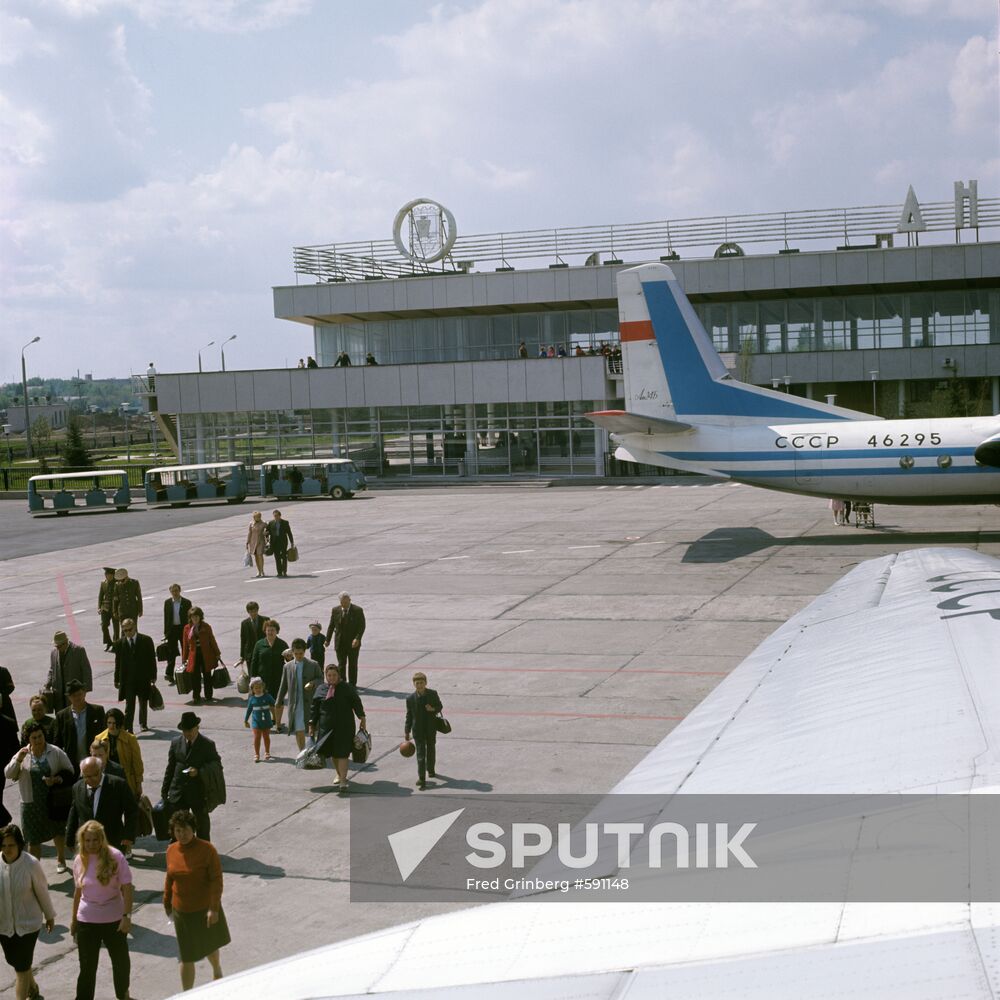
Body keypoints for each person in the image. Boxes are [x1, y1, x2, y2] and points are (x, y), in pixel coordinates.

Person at [164, 809, 229, 990]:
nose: (181, 834)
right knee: (186, 955)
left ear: (193, 829)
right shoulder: (171, 850)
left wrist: (214, 908)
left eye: (185, 829)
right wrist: (166, 902)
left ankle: (216, 969)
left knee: (209, 946)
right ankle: (188, 994)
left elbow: (216, 880)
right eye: (177, 830)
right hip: (182, 911)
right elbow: (170, 878)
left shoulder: (207, 850)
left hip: (204, 908)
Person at [71, 820, 133, 1000]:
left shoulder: (116, 857)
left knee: (121, 962)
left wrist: (127, 916)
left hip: (114, 919)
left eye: (95, 840)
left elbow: (127, 888)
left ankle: (123, 994)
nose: (91, 844)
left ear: (102, 839)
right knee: (87, 967)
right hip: (87, 920)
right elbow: (78, 891)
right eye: (87, 840)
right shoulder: (79, 860)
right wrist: (74, 920)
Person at [4, 723, 73, 873]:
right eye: (34, 737)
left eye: (40, 736)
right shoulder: (23, 754)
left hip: (53, 801)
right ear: (28, 739)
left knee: (58, 831)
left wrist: (56, 779)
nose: (38, 740)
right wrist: (18, 761)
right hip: (31, 805)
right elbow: (8, 774)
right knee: (33, 839)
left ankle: (61, 859)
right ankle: (34, 871)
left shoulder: (55, 752)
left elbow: (70, 771)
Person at [0, 823, 56, 1000]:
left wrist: (49, 916)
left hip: (28, 926)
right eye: (3, 845)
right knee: (17, 963)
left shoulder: (31, 864)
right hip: (4, 926)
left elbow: (42, 892)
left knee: (21, 968)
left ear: (20, 845)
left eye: (11, 845)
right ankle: (33, 989)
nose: (7, 849)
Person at [161, 713, 223, 843]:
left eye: (190, 730)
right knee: (177, 827)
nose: (187, 733)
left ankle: (204, 852)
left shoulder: (207, 744)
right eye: (184, 731)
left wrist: (199, 772)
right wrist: (165, 790)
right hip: (178, 792)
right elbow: (170, 768)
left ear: (197, 727)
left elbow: (216, 765)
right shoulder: (175, 742)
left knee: (202, 826)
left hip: (198, 793)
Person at [309, 665, 366, 793]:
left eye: (334, 675)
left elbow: (356, 702)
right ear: (326, 676)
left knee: (343, 753)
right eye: (329, 675)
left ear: (338, 675)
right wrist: (311, 724)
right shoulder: (321, 689)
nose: (332, 678)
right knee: (333, 753)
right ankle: (339, 774)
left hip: (344, 727)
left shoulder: (346, 688)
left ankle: (343, 781)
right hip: (326, 727)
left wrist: (362, 717)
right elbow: (314, 708)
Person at [65, 757, 138, 855]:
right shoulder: (77, 787)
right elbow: (74, 813)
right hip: (87, 844)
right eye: (86, 776)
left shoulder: (118, 785)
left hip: (112, 841)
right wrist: (69, 839)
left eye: (94, 775)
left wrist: (128, 835)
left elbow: (132, 810)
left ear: (101, 770)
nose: (91, 779)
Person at [276, 639, 322, 751]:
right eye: (296, 654)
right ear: (292, 652)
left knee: (312, 729)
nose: (298, 656)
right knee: (299, 729)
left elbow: (321, 679)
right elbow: (284, 685)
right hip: (295, 704)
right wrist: (278, 700)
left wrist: (313, 683)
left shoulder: (313, 664)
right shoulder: (288, 667)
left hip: (310, 704)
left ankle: (313, 750)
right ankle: (302, 752)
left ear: (304, 652)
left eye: (300, 653)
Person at [54, 681, 105, 777]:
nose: (77, 698)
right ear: (69, 697)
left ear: (85, 693)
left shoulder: (97, 711)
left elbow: (105, 736)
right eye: (73, 695)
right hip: (72, 763)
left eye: (79, 694)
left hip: (93, 760)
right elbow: (57, 742)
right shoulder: (62, 716)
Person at [114, 618, 156, 733]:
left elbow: (152, 660)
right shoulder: (119, 643)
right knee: (129, 705)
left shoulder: (146, 640)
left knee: (143, 702)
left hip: (143, 678)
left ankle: (143, 723)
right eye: (125, 630)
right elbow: (118, 663)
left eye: (130, 629)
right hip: (128, 681)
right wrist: (116, 679)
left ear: (135, 627)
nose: (128, 632)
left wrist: (153, 676)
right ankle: (129, 727)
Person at [404, 671, 444, 790]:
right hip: (418, 730)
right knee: (421, 754)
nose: (419, 685)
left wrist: (433, 709)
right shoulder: (410, 698)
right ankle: (422, 779)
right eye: (417, 683)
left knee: (431, 749)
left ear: (426, 683)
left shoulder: (432, 694)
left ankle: (431, 770)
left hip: (431, 728)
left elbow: (440, 706)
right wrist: (407, 730)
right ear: (414, 684)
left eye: (421, 683)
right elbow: (409, 715)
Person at [95, 710, 143, 799]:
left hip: (126, 779)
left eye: (114, 723)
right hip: (107, 780)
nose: (111, 726)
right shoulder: (99, 738)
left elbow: (137, 763)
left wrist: (139, 783)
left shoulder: (130, 739)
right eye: (109, 723)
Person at [249, 620, 287, 730]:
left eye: (273, 630)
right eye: (268, 630)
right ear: (265, 631)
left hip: (278, 677)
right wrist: (253, 678)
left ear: (277, 631)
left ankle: (278, 723)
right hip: (263, 679)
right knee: (267, 700)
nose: (270, 632)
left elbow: (290, 660)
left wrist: (289, 657)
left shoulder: (282, 644)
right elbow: (254, 661)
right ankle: (274, 718)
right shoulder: (259, 644)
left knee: (278, 700)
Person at [181, 607, 222, 705]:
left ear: (200, 617)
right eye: (192, 617)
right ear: (190, 617)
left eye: (196, 616)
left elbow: (212, 640)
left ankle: (208, 695)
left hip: (206, 655)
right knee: (195, 677)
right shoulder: (187, 628)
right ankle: (196, 696)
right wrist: (184, 658)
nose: (194, 619)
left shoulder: (206, 626)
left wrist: (217, 653)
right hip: (193, 656)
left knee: (207, 675)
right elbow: (185, 644)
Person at [324, 591, 366, 687]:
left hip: (353, 643)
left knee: (353, 664)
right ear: (340, 602)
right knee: (341, 664)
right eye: (343, 602)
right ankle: (342, 683)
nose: (346, 604)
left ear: (350, 600)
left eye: (347, 602)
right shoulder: (335, 610)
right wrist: (327, 639)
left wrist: (357, 638)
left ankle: (352, 684)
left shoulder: (358, 610)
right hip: (340, 643)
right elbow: (331, 626)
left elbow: (362, 626)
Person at [46, 631, 92, 713]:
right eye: (56, 646)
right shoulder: (54, 652)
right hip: (59, 692)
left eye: (59, 646)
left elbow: (86, 670)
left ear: (65, 643)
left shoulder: (78, 651)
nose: (57, 648)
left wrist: (85, 690)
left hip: (74, 692)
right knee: (60, 715)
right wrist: (48, 683)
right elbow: (52, 669)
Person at [162, 583, 192, 685]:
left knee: (185, 650)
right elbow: (166, 618)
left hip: (183, 629)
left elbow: (190, 618)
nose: (175, 593)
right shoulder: (167, 603)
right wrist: (166, 632)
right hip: (172, 630)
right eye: (173, 591)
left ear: (179, 591)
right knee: (171, 652)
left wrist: (190, 631)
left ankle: (187, 670)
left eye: (176, 590)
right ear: (170, 592)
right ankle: (169, 674)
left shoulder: (187, 602)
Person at [243, 678, 275, 763]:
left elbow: (274, 704)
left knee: (266, 736)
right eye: (256, 688)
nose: (258, 689)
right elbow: (249, 710)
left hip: (266, 720)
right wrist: (245, 720)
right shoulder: (252, 699)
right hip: (256, 721)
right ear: (252, 689)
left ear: (263, 687)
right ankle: (256, 754)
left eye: (259, 687)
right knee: (257, 737)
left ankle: (267, 752)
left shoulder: (267, 696)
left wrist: (275, 716)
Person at [265, 510, 294, 578]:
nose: (276, 517)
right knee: (277, 557)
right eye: (274, 516)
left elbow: (289, 533)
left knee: (284, 557)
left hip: (283, 542)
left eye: (277, 516)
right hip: (274, 543)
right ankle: (279, 572)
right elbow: (267, 532)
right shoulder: (271, 523)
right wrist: (267, 539)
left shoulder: (285, 523)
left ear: (280, 516)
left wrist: (292, 542)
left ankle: (284, 571)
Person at [239, 601, 269, 666]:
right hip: (250, 654)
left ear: (257, 610)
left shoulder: (265, 620)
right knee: (252, 675)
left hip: (263, 652)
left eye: (255, 611)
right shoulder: (244, 623)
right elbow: (243, 639)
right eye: (251, 612)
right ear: (248, 612)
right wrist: (242, 656)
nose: (253, 613)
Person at [98, 567, 118, 651]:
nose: (107, 576)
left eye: (109, 575)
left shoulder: (117, 583)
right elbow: (100, 596)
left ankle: (116, 643)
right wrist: (99, 607)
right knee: (104, 626)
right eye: (106, 575)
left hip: (115, 608)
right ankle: (108, 642)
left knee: (116, 627)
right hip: (105, 608)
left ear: (113, 575)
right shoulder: (103, 583)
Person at [246, 512, 268, 578]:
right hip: (253, 542)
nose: (256, 518)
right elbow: (249, 533)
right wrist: (247, 542)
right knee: (256, 556)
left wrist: (267, 537)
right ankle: (258, 571)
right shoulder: (251, 524)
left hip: (260, 541)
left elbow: (267, 532)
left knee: (260, 555)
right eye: (255, 517)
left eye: (257, 517)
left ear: (260, 517)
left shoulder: (264, 523)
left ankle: (262, 571)